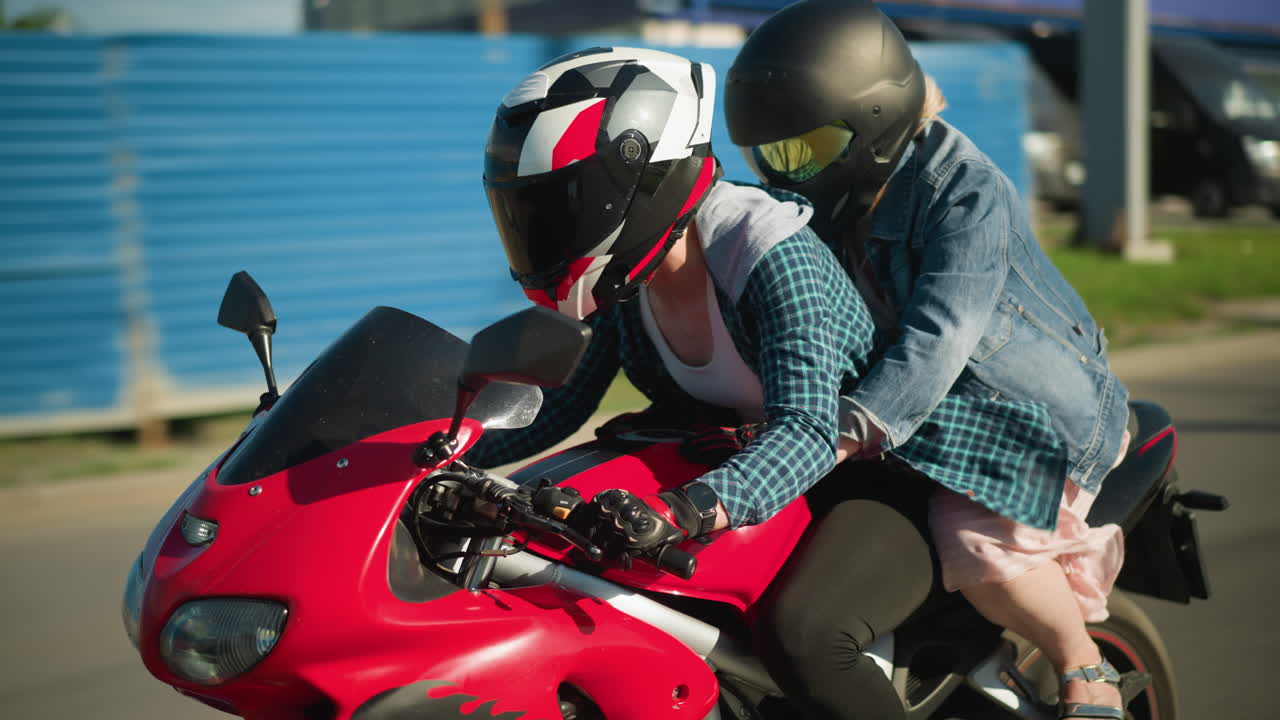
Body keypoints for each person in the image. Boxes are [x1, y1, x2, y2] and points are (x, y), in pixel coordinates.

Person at [468, 46, 1088, 720]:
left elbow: (812, 428)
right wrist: (436, 450)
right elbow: (558, 404)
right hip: (743, 469)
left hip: (882, 471)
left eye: (568, 206)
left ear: (641, 181)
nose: (552, 232)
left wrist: (689, 510)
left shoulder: (765, 252)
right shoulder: (629, 279)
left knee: (806, 637)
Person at [723, 2, 1135, 719]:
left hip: (1027, 418)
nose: (788, 173)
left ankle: (1082, 663)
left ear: (874, 122)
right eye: (773, 155)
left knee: (971, 541)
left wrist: (847, 430)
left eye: (806, 149)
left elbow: (940, 337)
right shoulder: (834, 196)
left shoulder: (964, 192)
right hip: (928, 421)